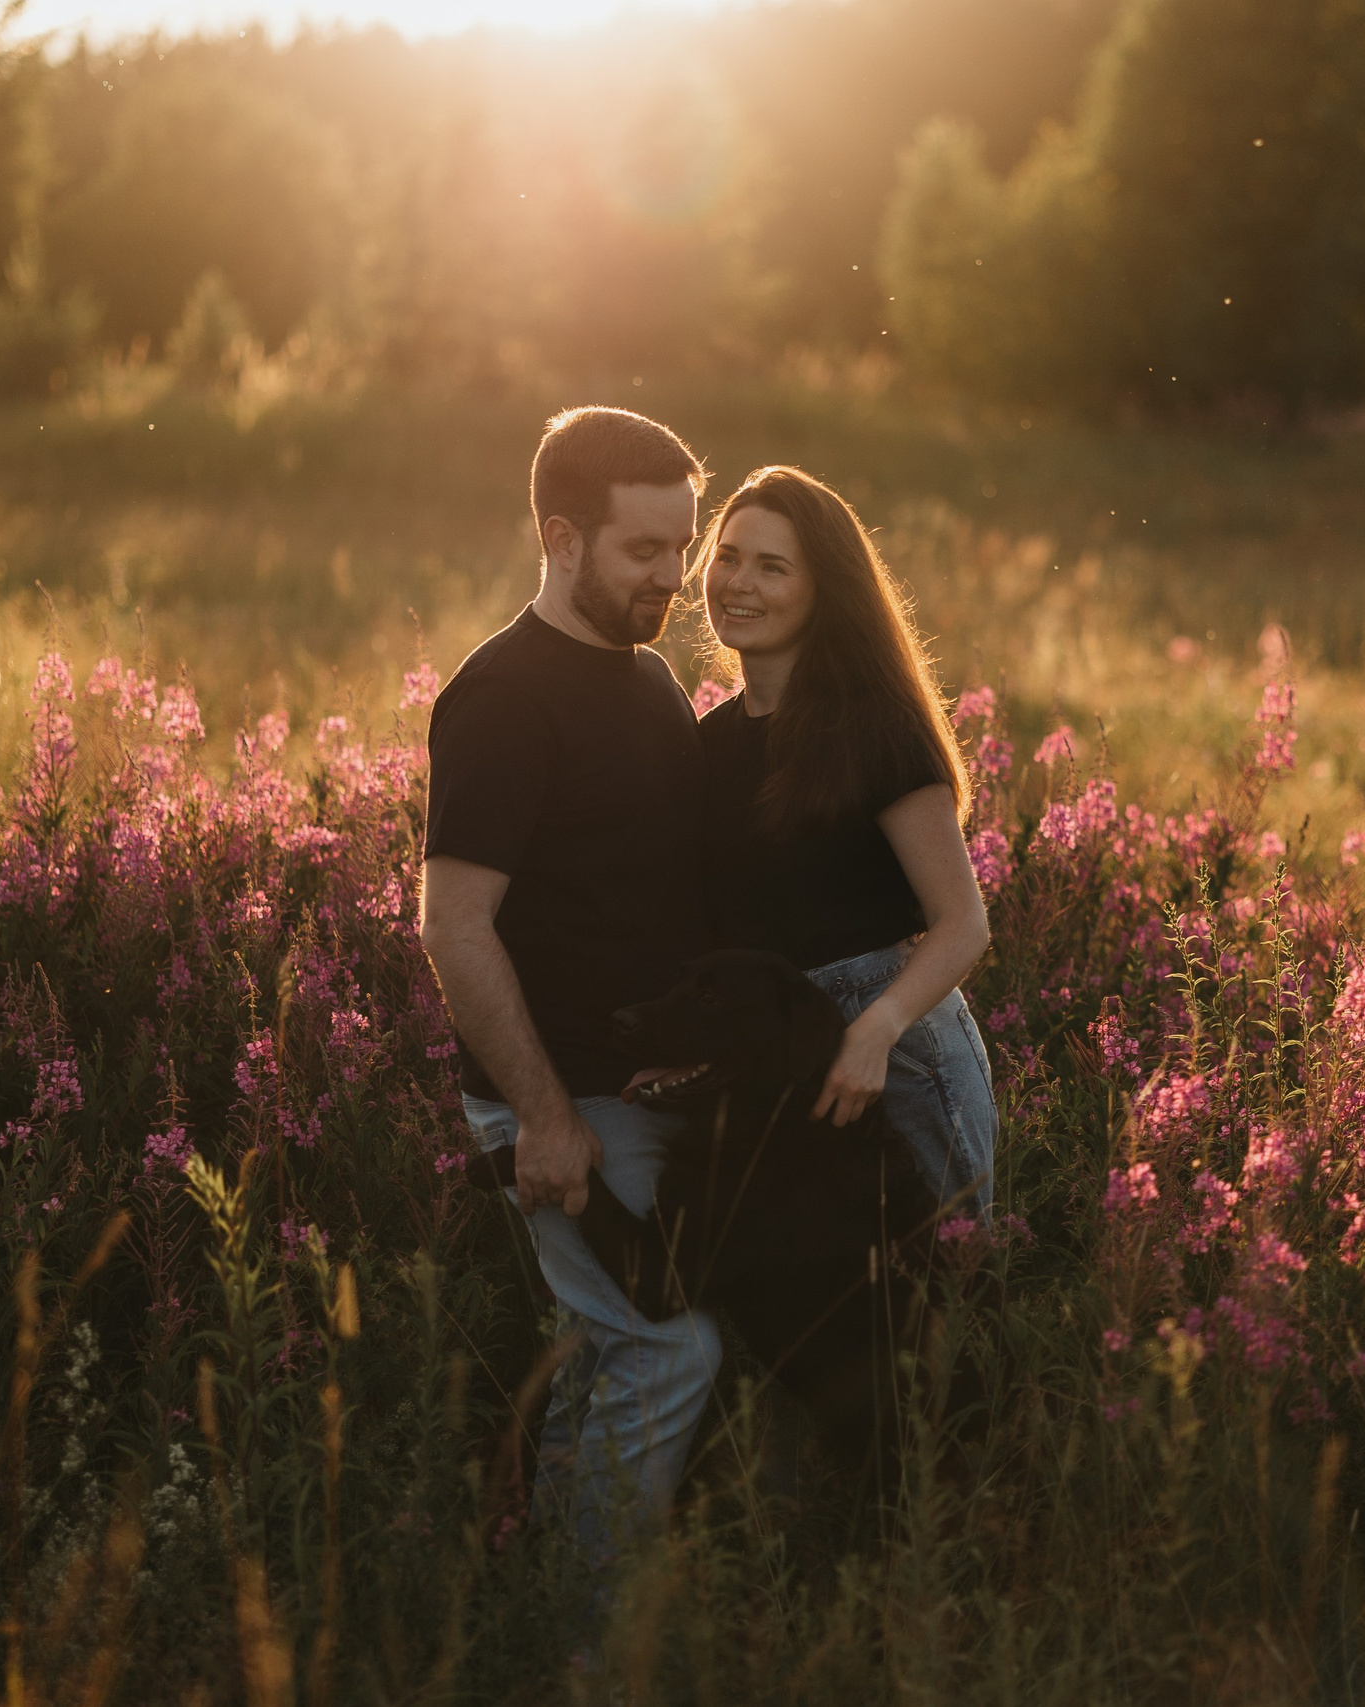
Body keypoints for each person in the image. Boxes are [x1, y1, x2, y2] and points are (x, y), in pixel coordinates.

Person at [415, 406, 718, 1578]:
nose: (672, 577)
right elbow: (453, 924)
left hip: (642, 1100)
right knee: (667, 1349)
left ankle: (539, 1606)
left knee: (608, 1347)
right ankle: (595, 1654)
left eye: (681, 546)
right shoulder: (502, 699)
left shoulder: (645, 682)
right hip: (570, 1107)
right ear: (561, 536)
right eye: (645, 549)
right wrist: (544, 1116)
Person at [681, 464, 997, 1217]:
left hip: (900, 1051)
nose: (738, 583)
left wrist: (875, 1030)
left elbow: (963, 922)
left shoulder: (873, 726)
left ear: (824, 587)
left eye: (773, 566)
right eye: (727, 556)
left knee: (940, 1301)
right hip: (777, 1054)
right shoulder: (709, 743)